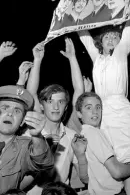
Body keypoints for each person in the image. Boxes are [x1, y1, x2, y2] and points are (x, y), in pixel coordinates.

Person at [71, 0, 130, 195]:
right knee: (106, 162)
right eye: (108, 36)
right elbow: (82, 32)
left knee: (126, 159)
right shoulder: (97, 58)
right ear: (100, 42)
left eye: (116, 35)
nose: (113, 38)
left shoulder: (121, 53)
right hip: (100, 112)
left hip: (120, 111)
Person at [20, 39, 87, 194]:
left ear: (66, 107)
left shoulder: (71, 136)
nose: (56, 107)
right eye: (50, 101)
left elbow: (79, 90)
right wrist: (37, 60)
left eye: (61, 102)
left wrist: (72, 58)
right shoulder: (32, 132)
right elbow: (31, 93)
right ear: (41, 106)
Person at [74, 92, 130, 195]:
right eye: (88, 108)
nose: (95, 112)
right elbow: (116, 172)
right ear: (79, 113)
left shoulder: (82, 136)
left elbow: (85, 179)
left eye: (98, 107)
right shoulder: (93, 133)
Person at [0, 85, 54, 194]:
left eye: (17, 111)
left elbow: (43, 162)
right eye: (5, 108)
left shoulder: (24, 146)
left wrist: (37, 136)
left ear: (22, 121)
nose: (10, 113)